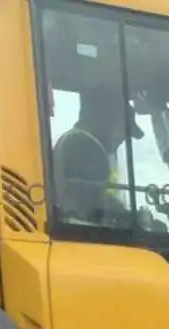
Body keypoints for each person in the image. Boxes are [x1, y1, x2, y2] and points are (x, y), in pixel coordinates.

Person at [51, 86, 137, 226]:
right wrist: (128, 218)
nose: (124, 138)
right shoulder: (85, 147)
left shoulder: (73, 140)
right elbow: (91, 205)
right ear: (108, 120)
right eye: (124, 130)